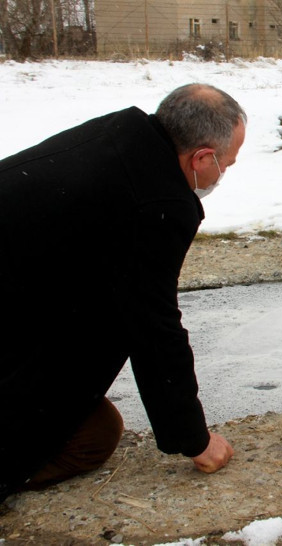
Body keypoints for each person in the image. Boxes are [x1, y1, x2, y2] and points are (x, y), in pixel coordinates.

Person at [0, 83, 246, 502]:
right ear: (202, 157)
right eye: (228, 163)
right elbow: (155, 327)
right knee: (93, 437)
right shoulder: (155, 203)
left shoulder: (120, 134)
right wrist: (194, 438)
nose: (225, 172)